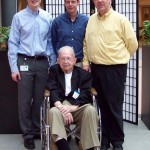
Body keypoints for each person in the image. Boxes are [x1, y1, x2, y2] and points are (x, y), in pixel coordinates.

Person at [83, 0, 138, 150]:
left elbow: (133, 44)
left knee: (114, 107)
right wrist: (86, 61)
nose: (100, 1)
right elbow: (87, 43)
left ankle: (117, 141)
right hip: (96, 69)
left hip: (115, 69)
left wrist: (122, 57)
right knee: (102, 107)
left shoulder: (120, 19)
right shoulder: (91, 20)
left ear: (110, 1)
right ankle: (105, 139)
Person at [8, 0, 56, 149]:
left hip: (42, 63)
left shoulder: (48, 17)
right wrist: (14, 68)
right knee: (24, 100)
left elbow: (49, 43)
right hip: (24, 62)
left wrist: (53, 65)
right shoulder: (18, 17)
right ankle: (27, 134)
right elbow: (13, 43)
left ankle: (36, 129)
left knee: (40, 99)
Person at [47, 46, 100, 150]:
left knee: (91, 110)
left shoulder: (83, 74)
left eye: (68, 58)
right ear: (58, 60)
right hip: (60, 106)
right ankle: (63, 147)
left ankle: (88, 147)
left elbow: (85, 94)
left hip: (77, 107)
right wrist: (63, 109)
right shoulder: (53, 71)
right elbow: (52, 90)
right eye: (62, 58)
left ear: (74, 60)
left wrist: (71, 108)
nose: (65, 61)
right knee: (53, 111)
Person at [51, 0, 88, 67]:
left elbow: (88, 42)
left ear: (78, 2)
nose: (70, 4)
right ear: (65, 3)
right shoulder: (57, 22)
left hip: (80, 63)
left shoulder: (86, 21)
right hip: (62, 64)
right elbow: (54, 42)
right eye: (68, 2)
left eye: (73, 2)